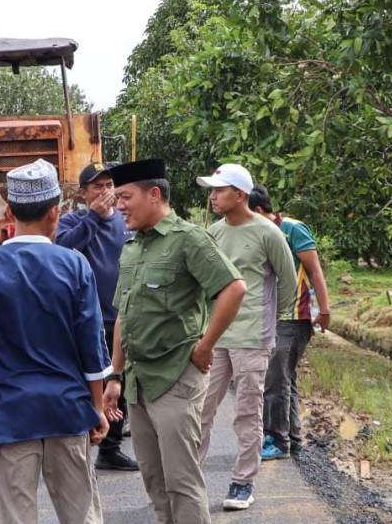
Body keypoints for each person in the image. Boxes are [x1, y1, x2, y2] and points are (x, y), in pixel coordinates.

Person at [0, 158, 111, 524]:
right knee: (81, 515)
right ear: (56, 212)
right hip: (67, 412)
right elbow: (92, 344)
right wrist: (97, 407)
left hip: (11, 415)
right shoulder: (75, 265)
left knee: (15, 517)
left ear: (8, 210)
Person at [104, 158, 246, 524]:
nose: (118, 205)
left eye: (125, 197)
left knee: (181, 482)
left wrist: (205, 346)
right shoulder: (133, 247)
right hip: (137, 382)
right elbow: (124, 314)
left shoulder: (188, 239)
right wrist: (115, 376)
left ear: (154, 194)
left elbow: (234, 288)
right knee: (154, 480)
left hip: (175, 377)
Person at [196, 164, 297, 511]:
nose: (212, 197)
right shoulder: (214, 232)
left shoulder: (268, 232)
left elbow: (288, 283)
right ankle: (188, 480)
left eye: (219, 190)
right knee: (201, 408)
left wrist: (265, 318)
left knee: (247, 412)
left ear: (239, 195)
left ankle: (242, 482)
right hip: (216, 335)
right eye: (211, 190)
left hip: (252, 336)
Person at [56, 162, 138, 472]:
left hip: (122, 317)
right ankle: (78, 442)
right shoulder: (73, 221)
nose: (106, 192)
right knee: (87, 382)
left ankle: (111, 448)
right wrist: (92, 218)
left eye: (109, 185)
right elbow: (62, 248)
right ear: (83, 193)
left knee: (120, 383)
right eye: (98, 187)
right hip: (88, 318)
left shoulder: (127, 221)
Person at [249, 184, 331, 460]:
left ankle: (277, 440)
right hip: (273, 315)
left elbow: (315, 269)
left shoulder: (292, 229)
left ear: (259, 210)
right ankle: (292, 438)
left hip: (294, 316)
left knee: (274, 380)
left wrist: (325, 309)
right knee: (286, 379)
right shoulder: (257, 232)